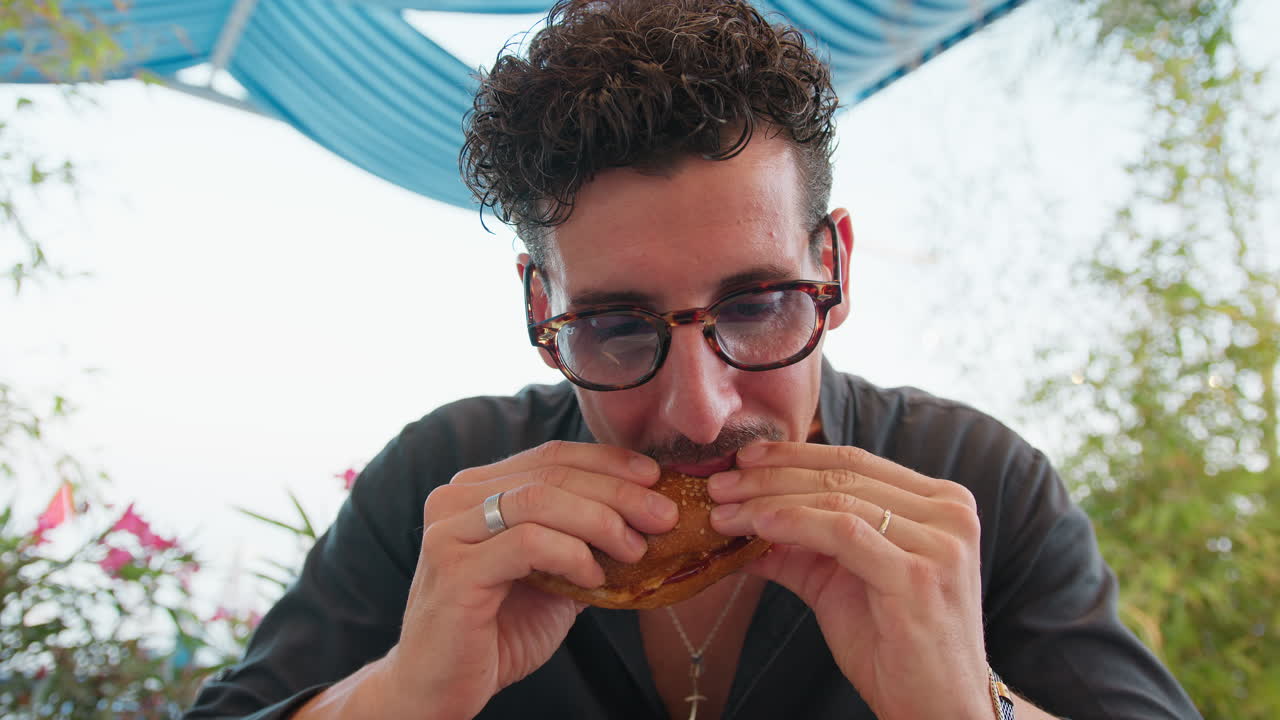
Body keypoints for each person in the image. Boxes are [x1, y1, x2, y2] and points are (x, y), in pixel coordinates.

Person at [184, 1, 1201, 718]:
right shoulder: (443, 483)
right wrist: (404, 696)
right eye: (617, 326)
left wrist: (966, 711)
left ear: (832, 265)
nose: (701, 413)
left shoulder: (975, 485)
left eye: (756, 305)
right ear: (543, 309)